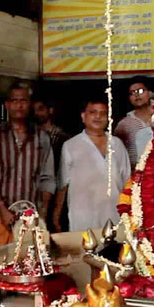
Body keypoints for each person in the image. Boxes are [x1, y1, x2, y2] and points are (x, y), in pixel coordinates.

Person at [0, 83, 56, 248]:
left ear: (29, 104)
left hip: (32, 216)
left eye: (23, 100)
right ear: (7, 105)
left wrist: (43, 211)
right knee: (0, 265)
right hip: (1, 216)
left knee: (31, 263)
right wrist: (2, 208)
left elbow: (48, 178)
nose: (19, 105)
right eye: (14, 101)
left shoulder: (42, 137)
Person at [53, 96, 130, 232]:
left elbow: (127, 181)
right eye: (93, 112)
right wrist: (57, 214)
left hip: (115, 214)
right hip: (83, 217)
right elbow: (63, 184)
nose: (98, 117)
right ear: (83, 116)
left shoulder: (117, 144)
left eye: (103, 113)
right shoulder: (71, 145)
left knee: (116, 251)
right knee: (85, 251)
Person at [114, 77, 154, 167]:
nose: (136, 95)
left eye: (140, 91)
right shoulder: (124, 124)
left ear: (149, 93)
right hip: (136, 174)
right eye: (132, 93)